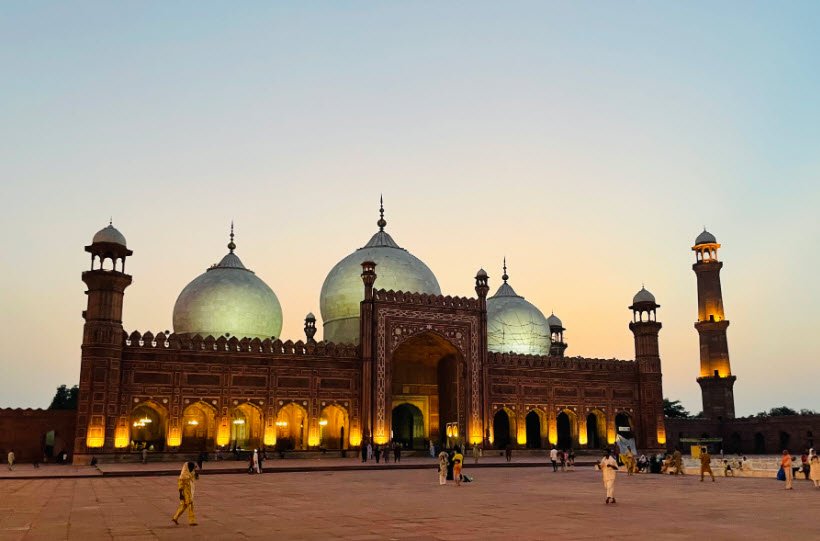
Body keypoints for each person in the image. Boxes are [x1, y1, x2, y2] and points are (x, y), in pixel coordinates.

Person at [171, 461, 198, 526]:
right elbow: (180, 486)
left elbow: (194, 476)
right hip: (185, 493)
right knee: (190, 505)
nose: (192, 469)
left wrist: (196, 474)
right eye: (191, 467)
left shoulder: (190, 472)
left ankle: (175, 517)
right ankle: (192, 521)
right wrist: (181, 494)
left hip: (189, 492)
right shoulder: (183, 476)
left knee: (184, 506)